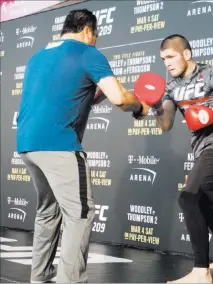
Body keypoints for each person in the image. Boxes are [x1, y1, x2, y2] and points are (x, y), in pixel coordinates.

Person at [16, 9, 147, 283]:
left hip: (28, 145)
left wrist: (98, 95)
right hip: (59, 145)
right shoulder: (88, 53)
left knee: (48, 211)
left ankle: (39, 276)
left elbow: (72, 92)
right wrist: (139, 106)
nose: (95, 42)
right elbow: (120, 99)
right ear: (88, 31)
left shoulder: (38, 56)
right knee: (80, 213)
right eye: (95, 37)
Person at [144, 34, 213, 283]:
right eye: (163, 59)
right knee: (204, 207)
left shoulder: (212, 73)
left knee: (188, 198)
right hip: (202, 152)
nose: (167, 63)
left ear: (187, 54)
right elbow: (166, 125)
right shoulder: (170, 87)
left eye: (171, 56)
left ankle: (201, 272)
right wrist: (156, 107)